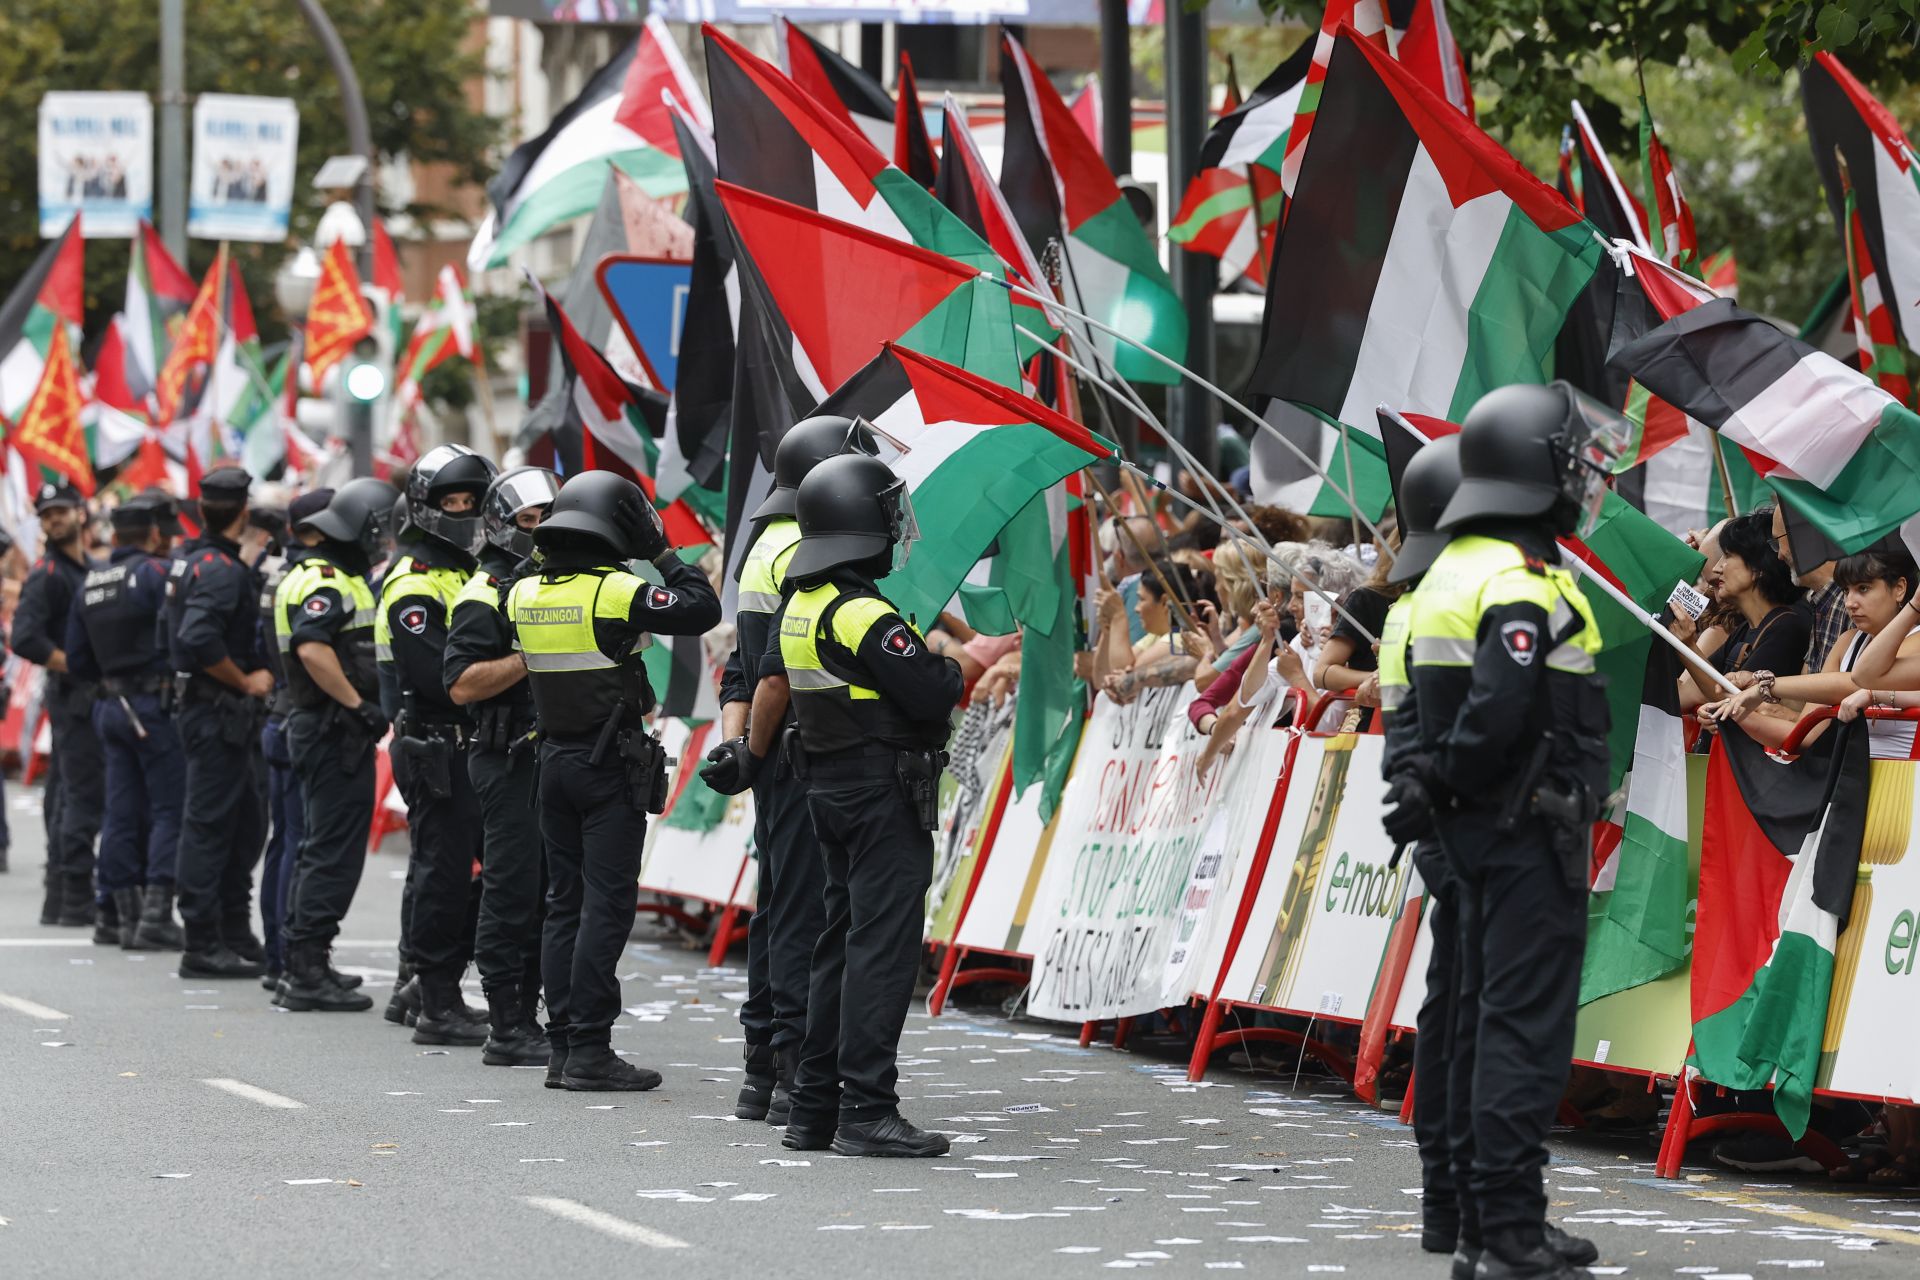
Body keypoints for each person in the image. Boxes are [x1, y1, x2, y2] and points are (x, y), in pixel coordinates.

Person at [1392, 382, 1610, 1280]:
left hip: (1483, 833)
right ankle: (1511, 1230)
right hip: (1527, 829)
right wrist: (1447, 783)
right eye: (1571, 456)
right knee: (1521, 1033)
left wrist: (1432, 796)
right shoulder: (1515, 582)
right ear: (1536, 466)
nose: (1585, 472)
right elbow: (1499, 708)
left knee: (1480, 1026)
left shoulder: (1451, 572)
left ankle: (1484, 1223)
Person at [756, 454, 964, 1158]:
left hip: (831, 788)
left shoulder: (800, 605)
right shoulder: (861, 611)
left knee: (837, 946)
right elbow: (932, 691)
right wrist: (950, 661)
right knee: (879, 951)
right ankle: (867, 1109)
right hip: (882, 793)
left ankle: (813, 1108)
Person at [505, 471, 719, 1090]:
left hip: (553, 763)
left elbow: (515, 583)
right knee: (606, 907)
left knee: (562, 905)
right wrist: (659, 551)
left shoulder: (522, 596)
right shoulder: (616, 590)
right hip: (606, 766)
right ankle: (592, 1051)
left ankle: (564, 1046)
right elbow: (701, 608)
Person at [699, 414, 874, 1123]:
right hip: (809, 744)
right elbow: (772, 672)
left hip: (775, 750)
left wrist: (746, 752)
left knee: (781, 907)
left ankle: (763, 1067)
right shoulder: (806, 545)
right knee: (808, 913)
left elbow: (742, 668)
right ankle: (794, 1066)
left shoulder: (761, 545)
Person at [1370, 438, 1467, 1263]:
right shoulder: (1451, 604)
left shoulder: (1412, 604)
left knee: (1455, 1005)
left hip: (1443, 825)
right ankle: (1462, 1193)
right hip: (1470, 828)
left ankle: (1451, 1194)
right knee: (1475, 1013)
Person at [377, 444, 498, 1046]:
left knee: (490, 873)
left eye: (471, 501)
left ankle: (427, 985)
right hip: (436, 744)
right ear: (425, 507)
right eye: (450, 502)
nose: (462, 511)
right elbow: (438, 680)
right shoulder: (414, 581)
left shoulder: (464, 572)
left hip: (469, 746)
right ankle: (437, 1000)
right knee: (443, 875)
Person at [445, 465, 560, 1067]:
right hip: (504, 755)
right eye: (530, 520)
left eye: (550, 517)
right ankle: (506, 1024)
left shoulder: (552, 585)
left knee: (548, 894)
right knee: (511, 891)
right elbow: (461, 683)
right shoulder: (483, 592)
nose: (542, 529)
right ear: (501, 526)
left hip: (552, 758)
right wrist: (528, 655)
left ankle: (533, 1012)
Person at [274, 478, 396, 1012]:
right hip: (331, 730)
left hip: (320, 728)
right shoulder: (330, 582)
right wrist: (357, 705)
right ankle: (306, 971)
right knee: (331, 853)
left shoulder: (322, 572)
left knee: (315, 848)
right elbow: (311, 646)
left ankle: (306, 961)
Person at [64, 492, 186, 951]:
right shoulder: (156, 573)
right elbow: (179, 637)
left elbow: (77, 660)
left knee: (119, 811)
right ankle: (155, 913)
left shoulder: (91, 582)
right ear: (154, 534)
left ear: (115, 536)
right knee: (168, 808)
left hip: (110, 706)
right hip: (153, 704)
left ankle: (114, 914)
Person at [165, 465, 273, 978]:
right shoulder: (219, 569)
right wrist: (244, 680)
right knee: (210, 826)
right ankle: (202, 942)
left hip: (212, 711)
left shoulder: (198, 560)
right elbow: (198, 637)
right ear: (243, 510)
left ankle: (232, 929)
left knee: (242, 824)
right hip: (216, 711)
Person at [1705, 546, 1920, 756]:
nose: (1850, 603)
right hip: (1854, 780)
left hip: (1906, 783)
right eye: (1846, 590)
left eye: (1863, 588)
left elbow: (1855, 682)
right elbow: (1804, 736)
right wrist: (1731, 712)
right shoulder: (1847, 641)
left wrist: (1766, 686)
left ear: (1900, 588)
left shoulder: (1916, 640)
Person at [12, 482, 102, 929]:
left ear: (80, 514)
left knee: (71, 795)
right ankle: (72, 895)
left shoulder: (87, 568)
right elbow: (26, 637)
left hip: (88, 699)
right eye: (47, 515)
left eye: (61, 511)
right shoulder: (47, 574)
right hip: (73, 699)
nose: (54, 520)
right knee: (77, 798)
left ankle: (65, 895)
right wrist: (76, 665)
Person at [256, 490, 334, 991]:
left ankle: (277, 954)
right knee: (299, 843)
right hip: (298, 716)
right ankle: (289, 958)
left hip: (280, 713)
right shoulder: (309, 580)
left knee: (285, 841)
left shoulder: (281, 574)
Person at [1678, 510, 1810, 715]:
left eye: (1728, 556)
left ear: (1758, 568)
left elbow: (1732, 702)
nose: (1718, 568)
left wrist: (1686, 644)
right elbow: (1692, 692)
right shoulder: (1745, 629)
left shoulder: (1786, 629)